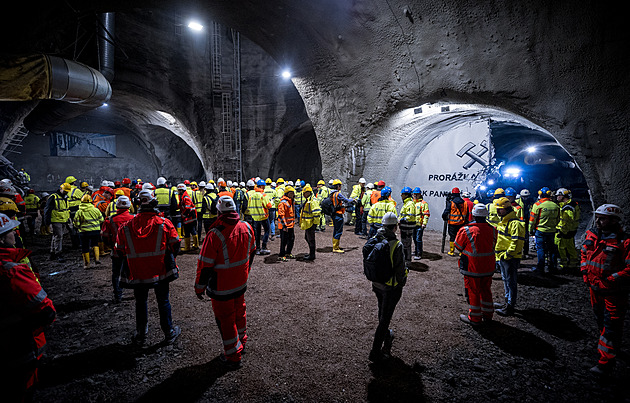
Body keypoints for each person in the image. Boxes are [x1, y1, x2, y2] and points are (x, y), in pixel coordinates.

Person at [195, 196, 256, 370]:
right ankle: (241, 342)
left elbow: (205, 265)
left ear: (219, 211)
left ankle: (233, 355)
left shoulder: (215, 233)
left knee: (226, 320)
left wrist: (199, 288)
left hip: (222, 287)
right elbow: (251, 253)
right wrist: (245, 273)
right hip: (240, 282)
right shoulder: (246, 227)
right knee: (239, 312)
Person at [0, 212, 56, 402]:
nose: (15, 234)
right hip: (19, 341)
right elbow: (46, 312)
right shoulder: (11, 271)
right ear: (1, 238)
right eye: (11, 232)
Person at [116, 190, 181, 346]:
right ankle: (169, 332)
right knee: (163, 301)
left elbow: (119, 250)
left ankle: (141, 334)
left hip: (137, 272)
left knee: (140, 302)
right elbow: (175, 243)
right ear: (154, 203)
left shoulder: (126, 227)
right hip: (160, 270)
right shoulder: (164, 223)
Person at [581, 204, 629, 377]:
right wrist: (585, 274)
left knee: (611, 327)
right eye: (598, 217)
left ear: (613, 220)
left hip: (614, 293)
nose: (598, 221)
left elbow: (629, 269)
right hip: (595, 289)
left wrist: (609, 281)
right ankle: (611, 349)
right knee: (601, 321)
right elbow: (584, 254)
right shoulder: (593, 235)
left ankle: (605, 364)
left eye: (603, 218)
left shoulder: (624, 242)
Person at [368, 212, 407, 362]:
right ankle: (375, 351)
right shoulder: (396, 244)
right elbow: (400, 269)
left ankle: (386, 336)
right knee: (385, 318)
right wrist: (402, 282)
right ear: (395, 227)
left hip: (377, 284)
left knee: (382, 311)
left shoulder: (374, 239)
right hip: (391, 287)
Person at [454, 204, 497, 325]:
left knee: (473, 291)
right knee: (486, 290)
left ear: (472, 214)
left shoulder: (466, 230)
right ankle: (488, 315)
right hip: (488, 267)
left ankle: (475, 318)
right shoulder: (493, 229)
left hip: (472, 267)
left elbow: (458, 246)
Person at [493, 197, 525, 316]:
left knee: (511, 282)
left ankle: (510, 306)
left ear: (507, 209)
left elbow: (517, 242)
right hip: (503, 256)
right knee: (506, 281)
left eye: (500, 209)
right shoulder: (504, 221)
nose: (498, 211)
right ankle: (507, 302)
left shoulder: (515, 223)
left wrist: (507, 255)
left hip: (509, 258)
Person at [101, 195, 135, 303]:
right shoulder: (134, 218)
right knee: (133, 272)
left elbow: (104, 236)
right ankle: (136, 293)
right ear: (129, 206)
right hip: (132, 252)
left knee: (116, 273)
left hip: (116, 252)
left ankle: (118, 295)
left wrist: (111, 246)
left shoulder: (110, 220)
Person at [529, 187, 560, 274]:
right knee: (552, 249)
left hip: (540, 231)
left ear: (540, 194)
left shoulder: (537, 205)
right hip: (552, 231)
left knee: (541, 249)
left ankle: (540, 268)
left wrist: (530, 230)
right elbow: (558, 219)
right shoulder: (555, 205)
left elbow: (532, 220)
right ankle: (553, 267)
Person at [73, 194, 104, 269]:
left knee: (85, 247)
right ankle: (97, 259)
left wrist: (78, 227)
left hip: (84, 232)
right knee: (95, 244)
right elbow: (101, 220)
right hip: (95, 231)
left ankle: (87, 264)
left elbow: (76, 223)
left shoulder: (79, 212)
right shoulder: (96, 210)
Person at [43, 183, 72, 262]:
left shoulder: (65, 197)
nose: (66, 192)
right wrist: (47, 223)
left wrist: (68, 218)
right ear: (60, 189)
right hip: (56, 220)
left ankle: (53, 253)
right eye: (65, 191)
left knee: (56, 237)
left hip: (63, 220)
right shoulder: (53, 197)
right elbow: (47, 210)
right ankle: (58, 254)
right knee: (59, 237)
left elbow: (66, 209)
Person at [554, 188, 581, 273]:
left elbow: (567, 221)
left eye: (558, 195)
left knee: (561, 248)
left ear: (563, 196)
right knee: (571, 248)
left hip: (565, 231)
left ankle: (564, 265)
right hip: (572, 230)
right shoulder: (572, 204)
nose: (557, 197)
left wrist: (562, 231)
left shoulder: (568, 207)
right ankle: (572, 264)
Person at [442, 187, 469, 256]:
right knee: (460, 237)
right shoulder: (465, 203)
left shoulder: (451, 203)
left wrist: (444, 218)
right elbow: (467, 214)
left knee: (452, 237)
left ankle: (452, 251)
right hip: (461, 223)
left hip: (452, 224)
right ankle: (461, 252)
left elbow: (445, 213)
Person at [248, 180, 272, 255]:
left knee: (257, 233)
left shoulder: (252, 195)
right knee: (267, 230)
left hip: (255, 218)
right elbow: (268, 206)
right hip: (263, 217)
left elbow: (249, 207)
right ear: (261, 186)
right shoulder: (263, 195)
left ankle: (257, 248)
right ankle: (264, 247)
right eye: (264, 186)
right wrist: (271, 202)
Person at [330, 179, 353, 253]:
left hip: (334, 213)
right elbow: (346, 200)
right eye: (340, 185)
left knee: (335, 230)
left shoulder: (332, 194)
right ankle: (335, 248)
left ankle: (335, 246)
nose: (341, 187)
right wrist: (353, 200)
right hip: (338, 214)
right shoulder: (338, 194)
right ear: (338, 186)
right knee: (339, 230)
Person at [300, 184, 321, 261]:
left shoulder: (312, 201)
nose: (303, 194)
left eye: (304, 193)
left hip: (311, 223)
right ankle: (311, 253)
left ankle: (312, 255)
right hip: (308, 223)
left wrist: (315, 223)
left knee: (311, 239)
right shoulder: (309, 200)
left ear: (308, 192)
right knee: (307, 238)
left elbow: (316, 212)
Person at [177, 183, 198, 252]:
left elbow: (187, 208)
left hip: (189, 217)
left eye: (179, 190)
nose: (178, 191)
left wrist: (184, 215)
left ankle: (189, 247)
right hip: (190, 217)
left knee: (188, 231)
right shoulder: (183, 196)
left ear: (181, 190)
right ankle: (195, 245)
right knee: (191, 231)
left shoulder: (185, 197)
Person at [277, 186, 296, 261]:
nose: (293, 194)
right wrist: (284, 225)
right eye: (291, 193)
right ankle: (281, 255)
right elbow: (281, 215)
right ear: (287, 193)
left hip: (290, 225)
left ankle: (288, 252)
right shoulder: (283, 203)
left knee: (291, 239)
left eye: (293, 193)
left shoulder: (290, 201)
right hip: (284, 226)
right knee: (284, 240)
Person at [398, 187, 417, 262]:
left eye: (402, 194)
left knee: (406, 245)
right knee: (405, 244)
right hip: (405, 227)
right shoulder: (407, 203)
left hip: (407, 228)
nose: (401, 196)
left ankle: (407, 261)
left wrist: (402, 220)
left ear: (406, 195)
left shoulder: (409, 204)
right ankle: (405, 260)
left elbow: (410, 216)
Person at [413, 187, 430, 260]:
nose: (415, 195)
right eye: (414, 194)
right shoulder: (413, 202)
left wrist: (424, 223)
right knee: (414, 238)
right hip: (413, 224)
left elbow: (426, 214)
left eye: (417, 194)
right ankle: (416, 250)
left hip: (420, 224)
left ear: (420, 194)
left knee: (418, 239)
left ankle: (419, 253)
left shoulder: (423, 203)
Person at [517, 189, 533, 257]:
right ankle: (519, 252)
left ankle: (525, 252)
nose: (525, 198)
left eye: (526, 196)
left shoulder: (531, 202)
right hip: (519, 222)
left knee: (526, 238)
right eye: (523, 196)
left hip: (527, 221)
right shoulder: (517, 202)